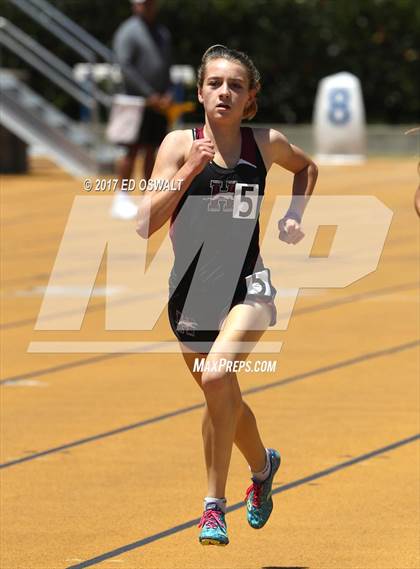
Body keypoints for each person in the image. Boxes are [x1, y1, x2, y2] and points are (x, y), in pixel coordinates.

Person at [136, 45, 318, 546]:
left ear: (250, 99)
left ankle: (212, 506)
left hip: (249, 288)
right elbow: (144, 225)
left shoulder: (266, 144)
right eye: (215, 83)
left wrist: (293, 217)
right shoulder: (178, 144)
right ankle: (263, 468)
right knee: (225, 397)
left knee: (218, 376)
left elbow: (307, 168)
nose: (224, 92)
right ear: (199, 92)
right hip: (190, 301)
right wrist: (185, 173)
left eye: (236, 86)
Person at [111, 0, 172, 219]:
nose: (146, 7)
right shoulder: (128, 31)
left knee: (152, 150)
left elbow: (165, 66)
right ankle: (121, 197)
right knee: (130, 150)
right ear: (134, 5)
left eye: (149, 3)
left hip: (158, 103)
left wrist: (166, 92)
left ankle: (149, 197)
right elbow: (125, 66)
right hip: (134, 103)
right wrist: (149, 95)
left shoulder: (162, 33)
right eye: (142, 3)